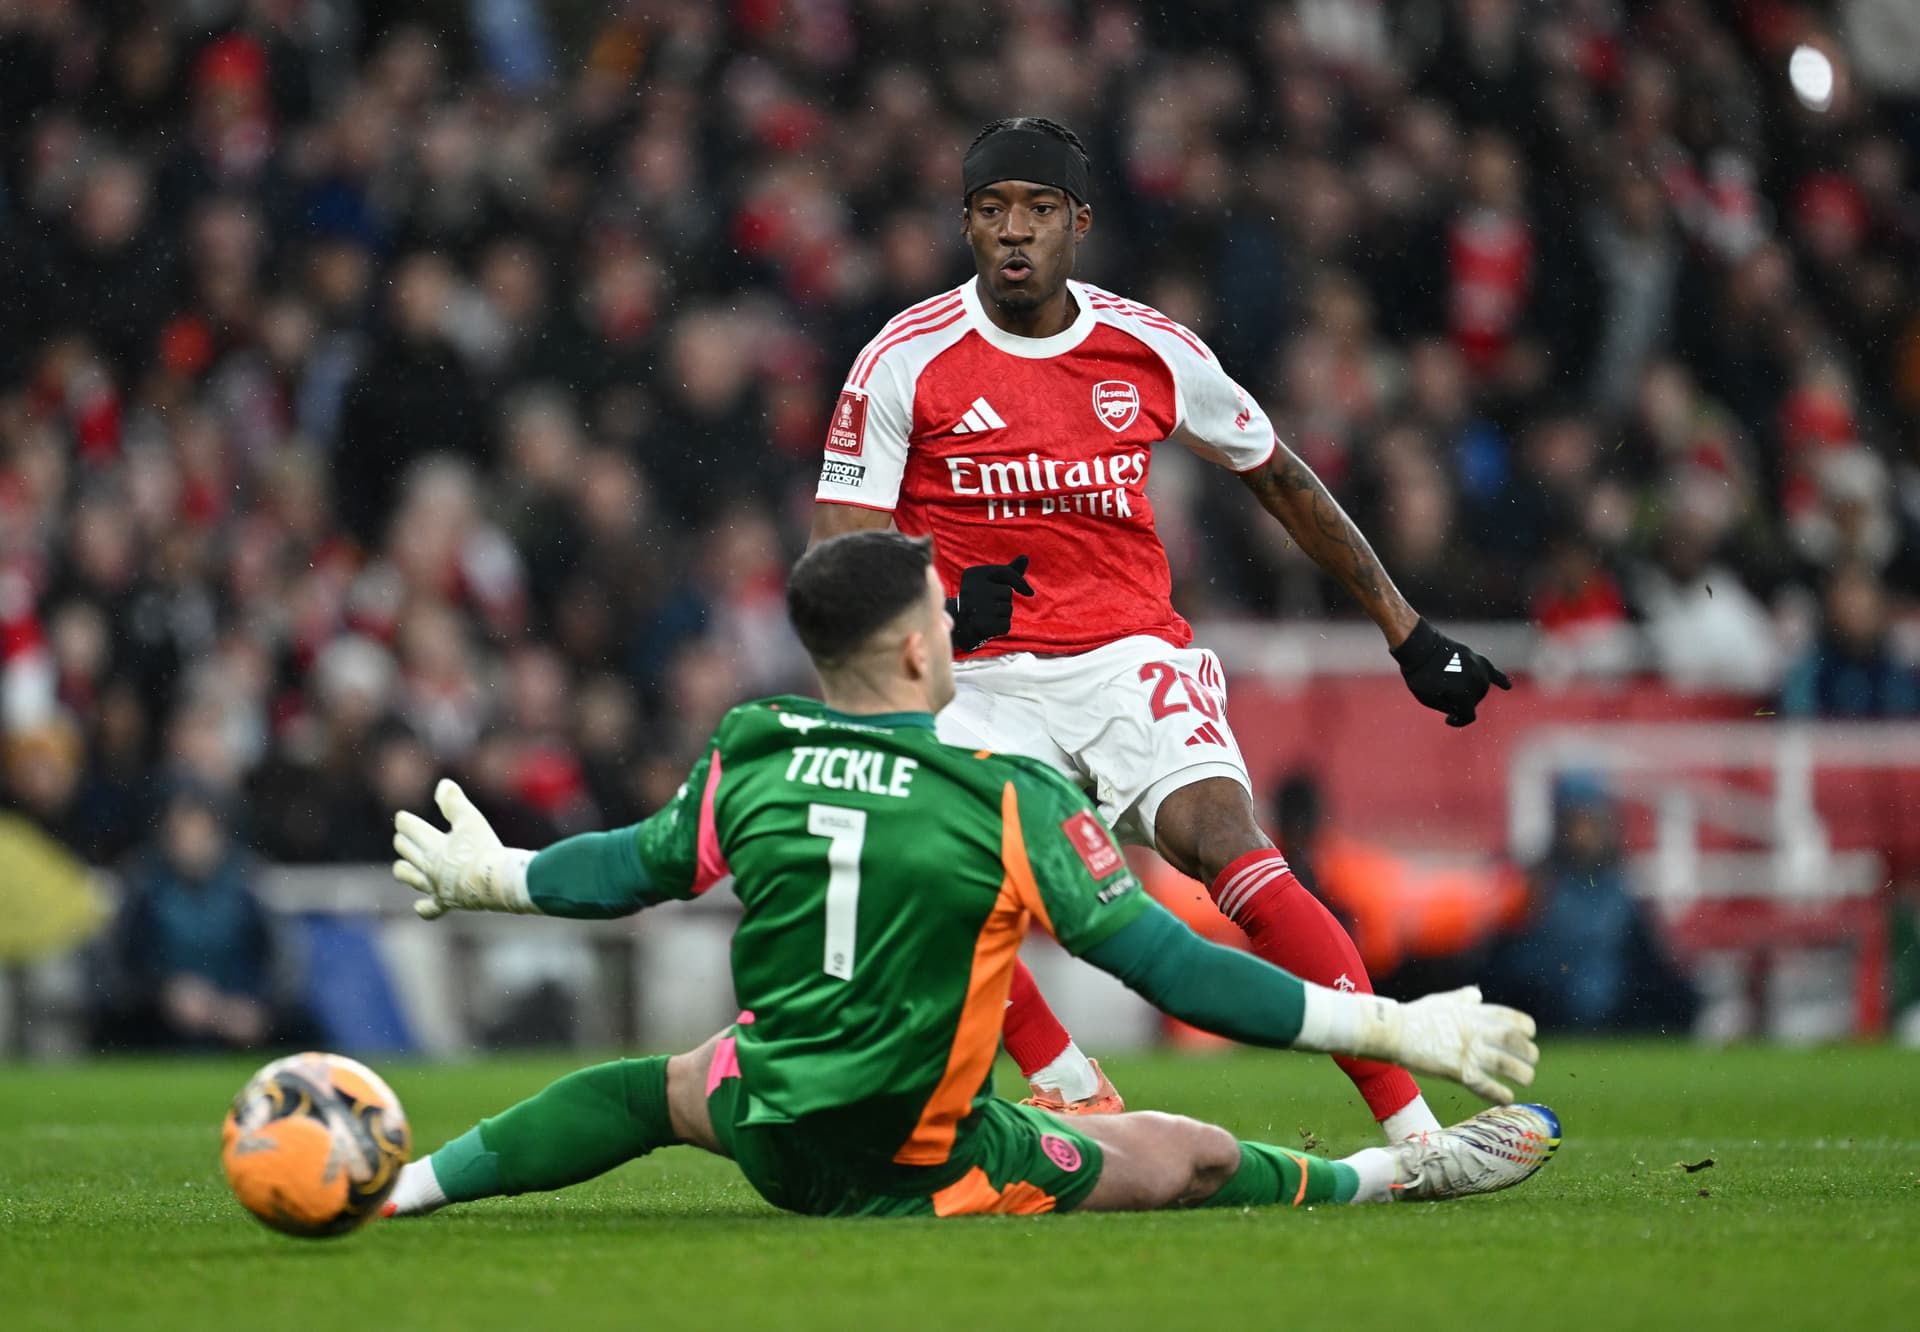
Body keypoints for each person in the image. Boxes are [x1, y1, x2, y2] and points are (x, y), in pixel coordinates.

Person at [380, 531, 1557, 1221]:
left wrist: (496, 875)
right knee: (1179, 1151)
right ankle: (1382, 1175)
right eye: (946, 619)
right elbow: (1175, 969)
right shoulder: (1005, 796)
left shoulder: (753, 750)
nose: (961, 633)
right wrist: (1390, 1024)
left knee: (647, 1090)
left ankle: (404, 1189)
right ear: (910, 650)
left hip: (767, 1122)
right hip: (910, 1159)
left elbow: (628, 870)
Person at [809, 117, 1512, 1140]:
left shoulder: (1149, 347)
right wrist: (936, 625)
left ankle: (1416, 1135)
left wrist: (1406, 633)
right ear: (964, 224)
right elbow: (839, 555)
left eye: (1039, 210)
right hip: (982, 679)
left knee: (1233, 848)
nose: (1016, 231)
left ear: (1078, 224)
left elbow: (1280, 476)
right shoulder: (903, 361)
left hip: (1128, 658)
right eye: (993, 208)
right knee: (941, 871)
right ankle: (1066, 1083)